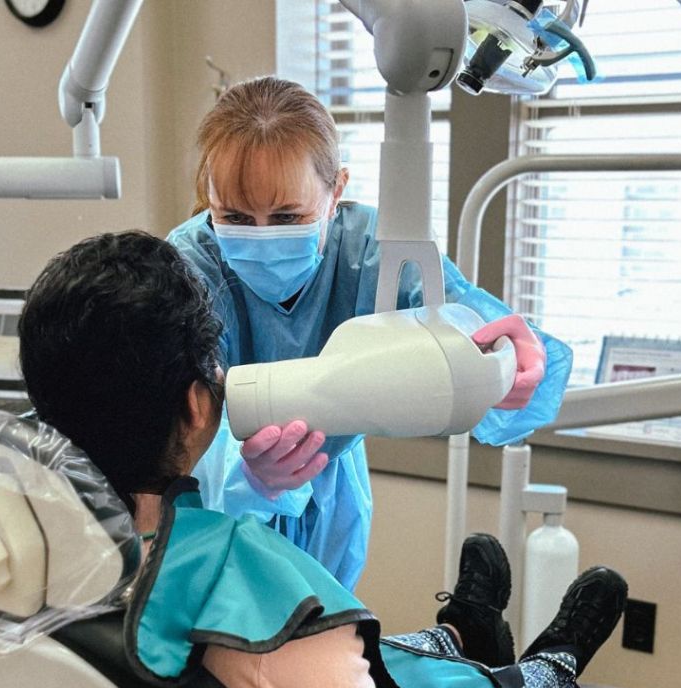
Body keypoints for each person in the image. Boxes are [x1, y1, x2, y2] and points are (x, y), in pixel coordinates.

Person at [18, 230, 626, 688]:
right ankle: (553, 663)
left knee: (378, 664)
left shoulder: (14, 564)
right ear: (199, 406)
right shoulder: (267, 603)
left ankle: (463, 631)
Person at [168, 76, 551, 590]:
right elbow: (170, 423)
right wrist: (244, 482)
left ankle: (465, 628)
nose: (262, 238)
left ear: (336, 191)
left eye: (287, 216)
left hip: (331, 499)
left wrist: (512, 361)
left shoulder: (379, 251)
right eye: (235, 217)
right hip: (214, 500)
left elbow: (468, 325)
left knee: (328, 630)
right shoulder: (189, 265)